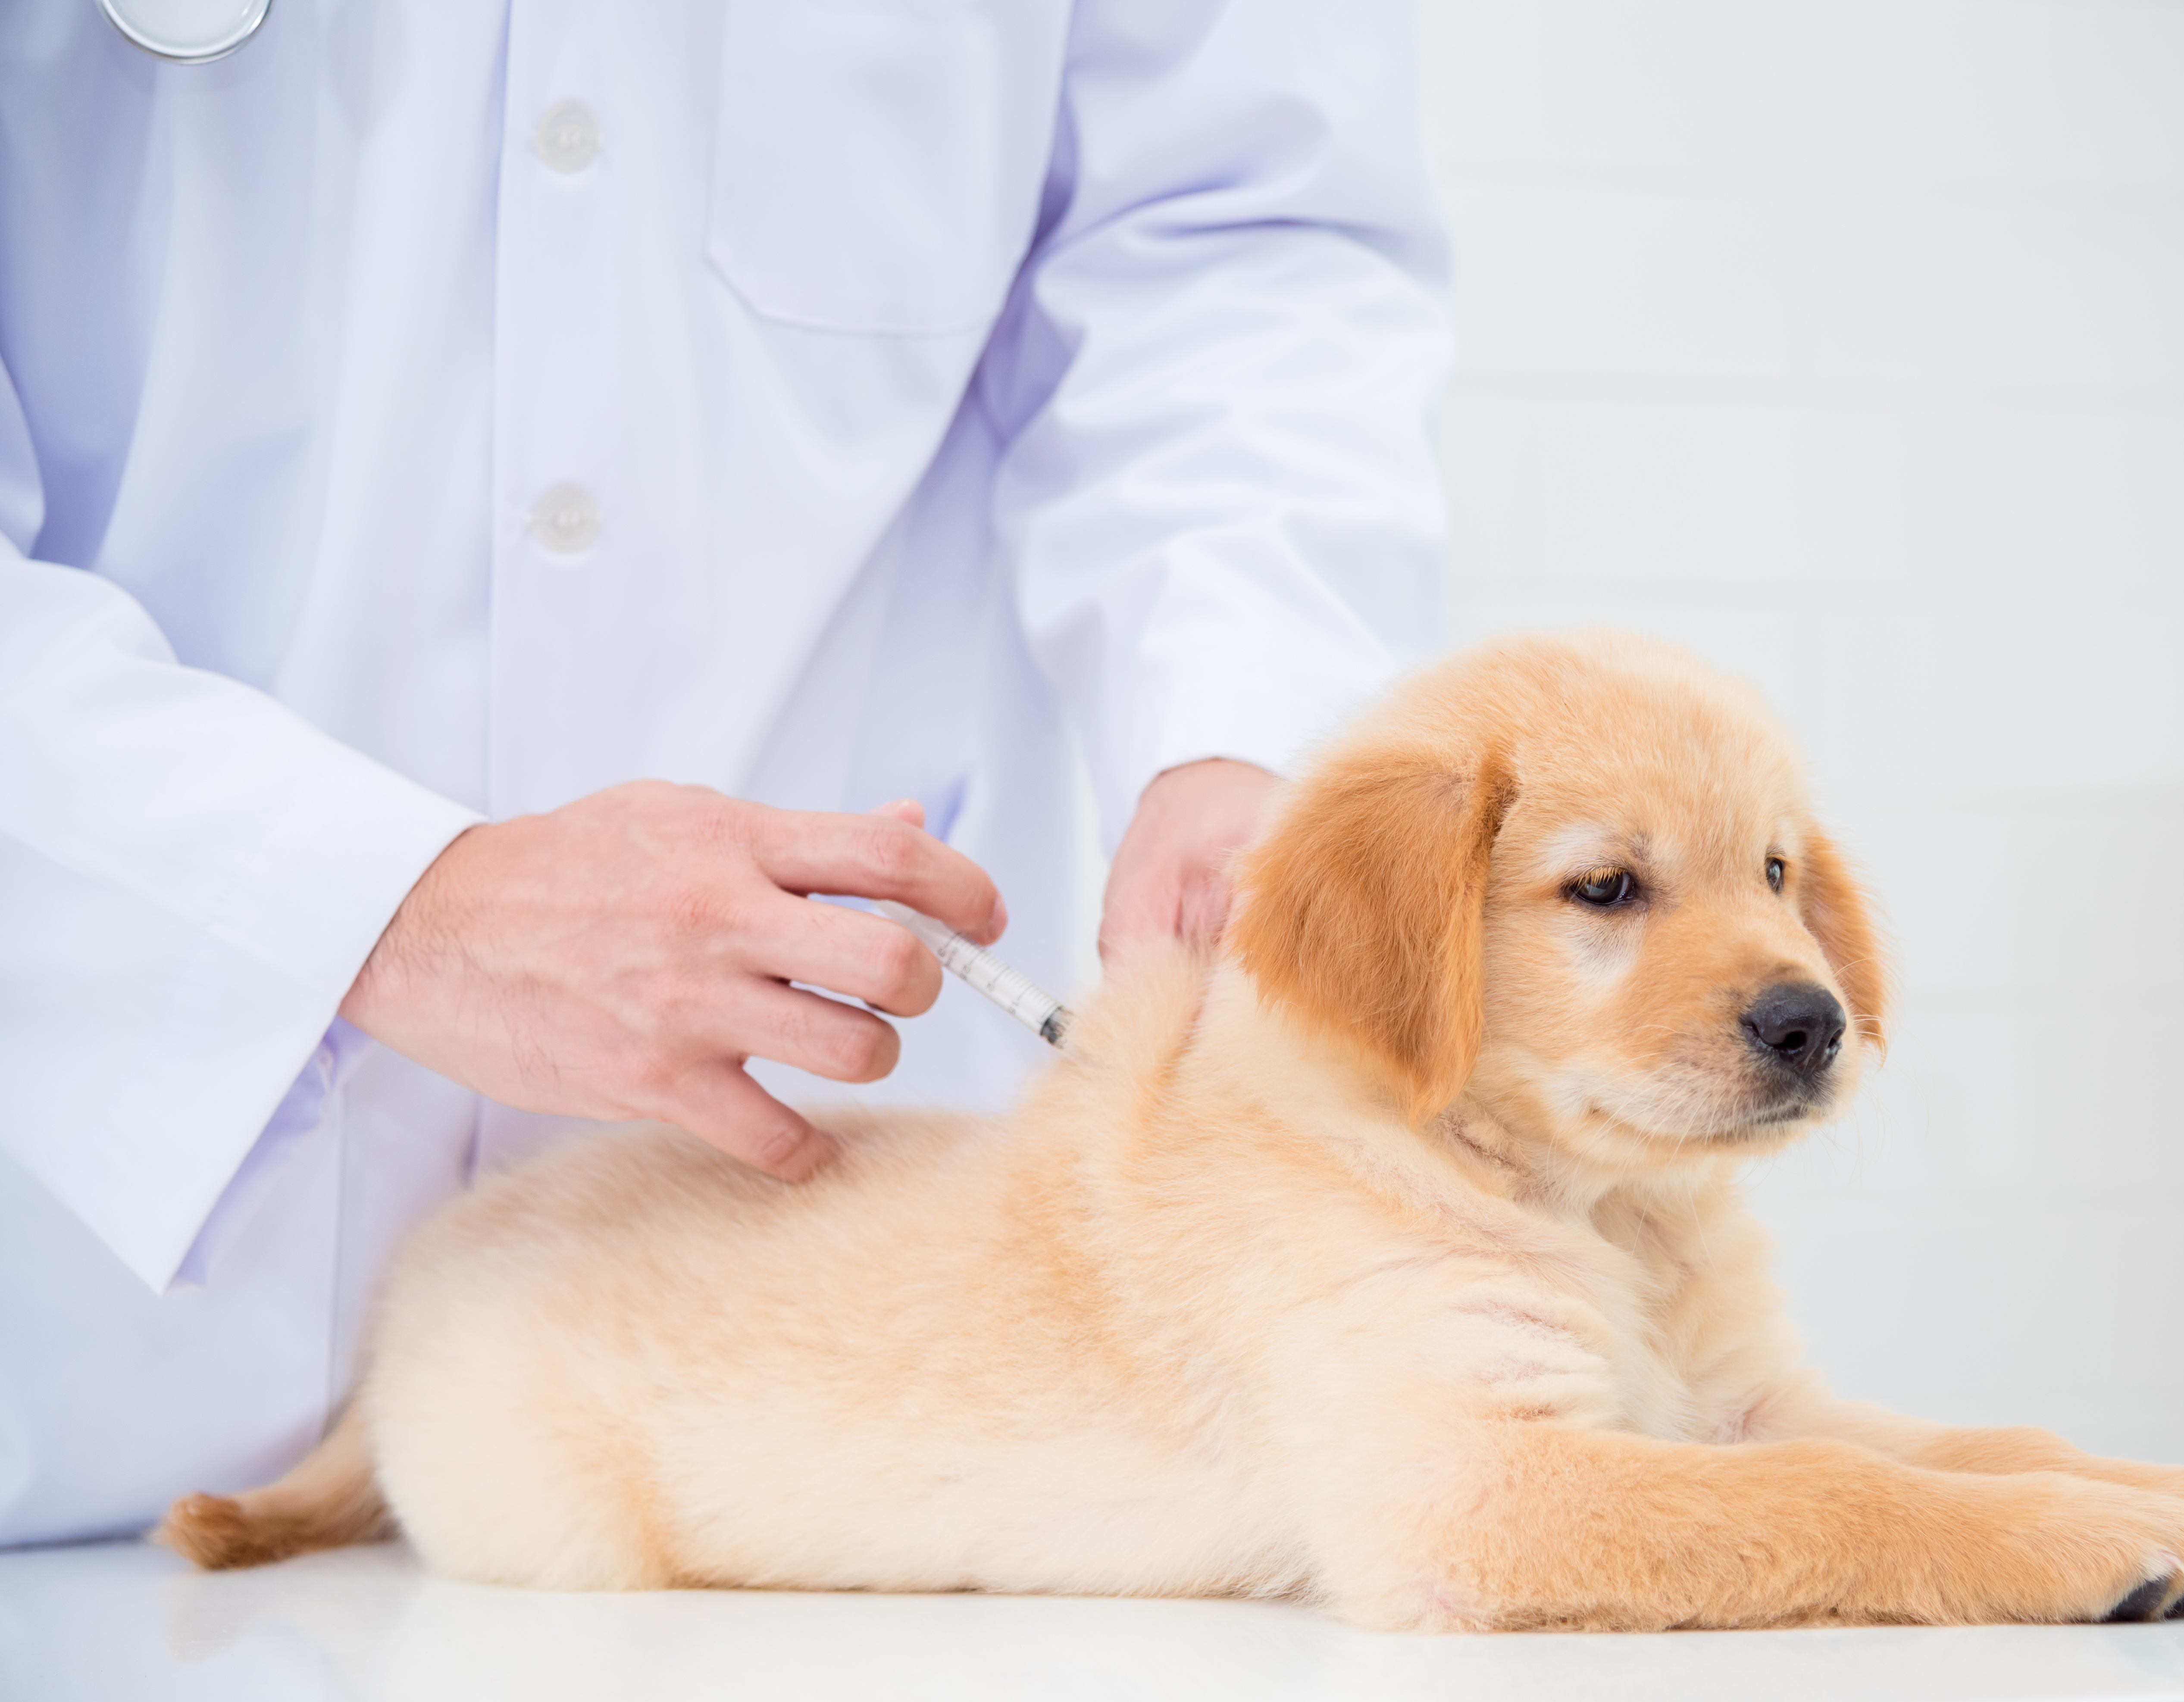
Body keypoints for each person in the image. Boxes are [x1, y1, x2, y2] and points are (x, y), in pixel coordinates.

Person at [0, 0, 1448, 1547]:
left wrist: (1239, 727)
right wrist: (371, 902)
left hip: (832, 1394)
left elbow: (1227, 241)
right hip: (82, 1358)